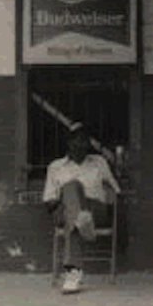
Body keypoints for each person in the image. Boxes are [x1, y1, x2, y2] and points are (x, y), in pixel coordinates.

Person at [43, 124, 119, 294]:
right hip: (66, 210)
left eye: (84, 139)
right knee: (72, 189)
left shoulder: (99, 162)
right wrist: (66, 198)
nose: (81, 143)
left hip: (95, 211)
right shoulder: (55, 166)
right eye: (76, 139)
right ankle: (82, 221)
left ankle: (73, 273)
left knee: (73, 215)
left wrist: (96, 199)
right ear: (68, 142)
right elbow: (49, 201)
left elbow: (114, 191)